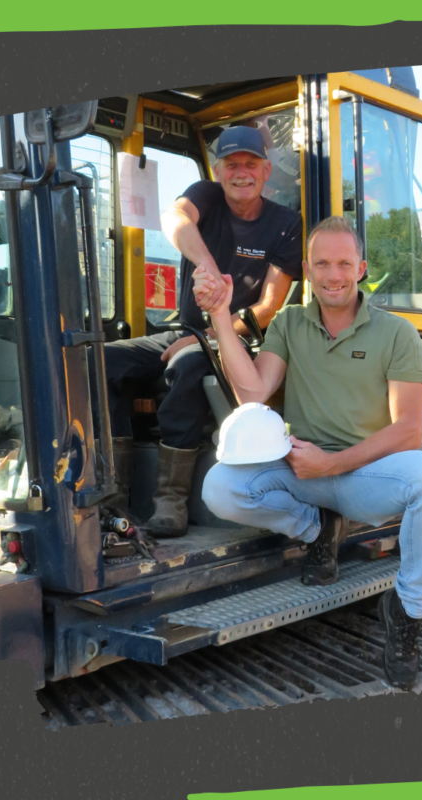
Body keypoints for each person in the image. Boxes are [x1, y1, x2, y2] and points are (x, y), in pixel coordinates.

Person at [198, 215, 422, 690]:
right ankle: (317, 529)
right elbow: (252, 393)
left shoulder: (396, 333)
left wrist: (333, 463)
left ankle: (407, 611)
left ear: (361, 268)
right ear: (307, 269)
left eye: (343, 263)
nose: (333, 275)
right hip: (304, 469)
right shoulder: (289, 322)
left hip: (366, 476)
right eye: (321, 264)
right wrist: (220, 314)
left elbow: (407, 431)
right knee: (220, 487)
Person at [95, 125, 304, 538]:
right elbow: (174, 217)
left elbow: (267, 309)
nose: (241, 172)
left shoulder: (285, 224)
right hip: (186, 329)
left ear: (266, 171)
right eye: (231, 164)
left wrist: (206, 336)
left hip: (240, 340)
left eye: (250, 164)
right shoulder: (205, 196)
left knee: (189, 365)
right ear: (217, 170)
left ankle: (170, 500)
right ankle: (113, 495)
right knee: (100, 361)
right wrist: (208, 267)